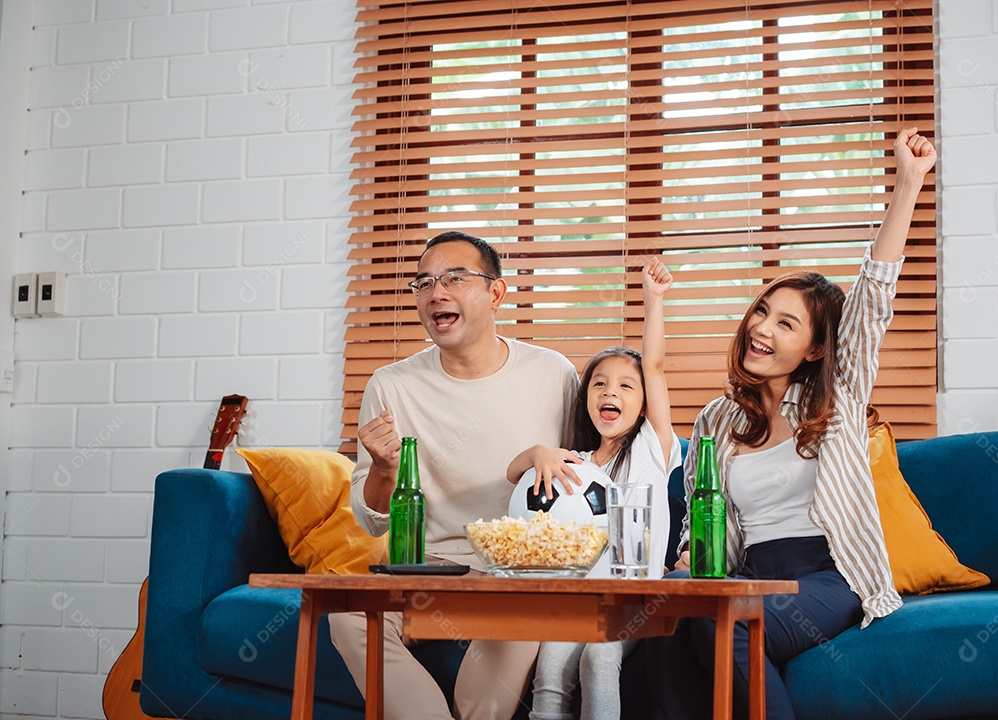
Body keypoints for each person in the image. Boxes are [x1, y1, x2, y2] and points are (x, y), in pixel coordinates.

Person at [648, 127, 937, 720]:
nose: (762, 328)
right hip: (751, 573)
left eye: (786, 323)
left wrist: (908, 183)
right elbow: (706, 512)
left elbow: (874, 297)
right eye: (762, 311)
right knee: (660, 638)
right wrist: (685, 560)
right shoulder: (717, 419)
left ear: (814, 348)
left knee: (729, 627)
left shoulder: (838, 394)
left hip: (829, 577)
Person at [328, 231, 579, 720]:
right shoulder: (391, 385)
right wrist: (381, 469)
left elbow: (585, 479)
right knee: (348, 616)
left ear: (496, 293)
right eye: (423, 283)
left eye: (454, 279)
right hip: (429, 568)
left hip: (519, 574)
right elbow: (372, 520)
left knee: (494, 674)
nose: (435, 292)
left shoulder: (554, 374)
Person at [507, 257, 681, 720]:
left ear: (644, 404)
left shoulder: (652, 447)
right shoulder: (575, 465)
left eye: (627, 386)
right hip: (579, 600)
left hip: (637, 598)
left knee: (598, 657)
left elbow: (657, 367)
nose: (612, 392)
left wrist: (653, 300)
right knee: (547, 677)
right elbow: (512, 475)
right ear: (587, 399)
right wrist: (539, 452)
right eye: (600, 384)